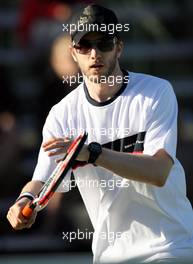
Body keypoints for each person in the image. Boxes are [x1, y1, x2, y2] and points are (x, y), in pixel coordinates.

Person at [7, 4, 193, 264]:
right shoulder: (62, 114)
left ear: (119, 48)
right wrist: (24, 200)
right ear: (73, 53)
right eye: (85, 45)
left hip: (170, 247)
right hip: (110, 256)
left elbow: (159, 172)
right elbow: (41, 180)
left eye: (104, 43)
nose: (94, 53)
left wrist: (93, 153)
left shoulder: (157, 92)